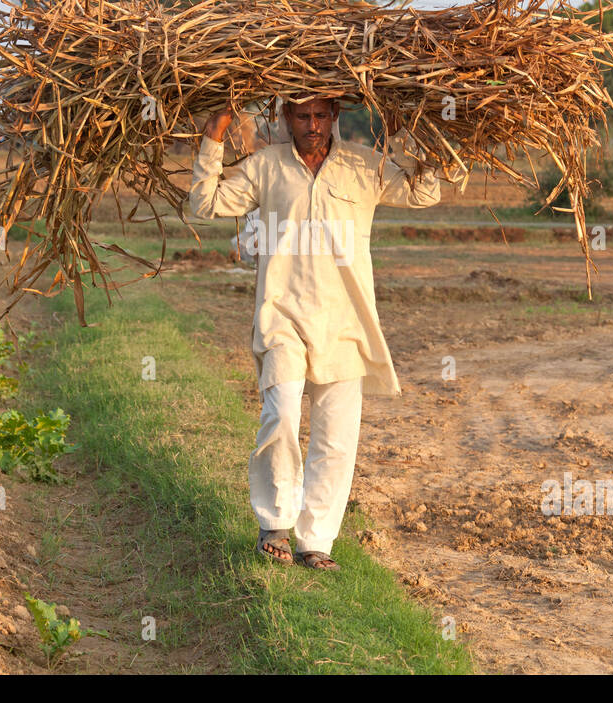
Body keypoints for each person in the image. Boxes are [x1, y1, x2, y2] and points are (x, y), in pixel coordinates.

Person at [188, 95, 460, 569]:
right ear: (285, 118)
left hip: (346, 321)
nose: (311, 125)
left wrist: (401, 132)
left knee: (335, 439)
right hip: (282, 315)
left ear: (335, 116)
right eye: (301, 116)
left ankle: (316, 543)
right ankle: (274, 521)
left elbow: (424, 192)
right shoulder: (265, 167)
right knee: (283, 415)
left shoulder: (365, 166)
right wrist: (216, 130)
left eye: (320, 115)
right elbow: (204, 201)